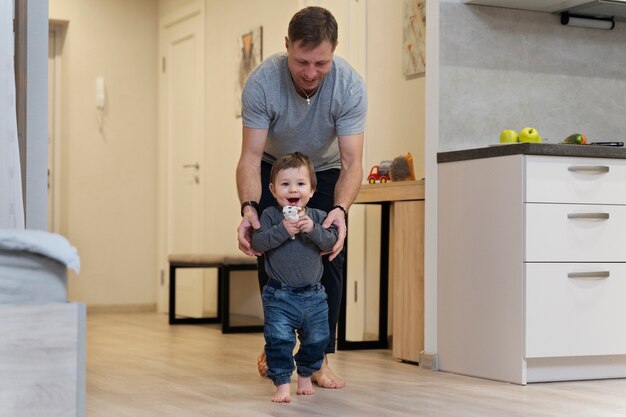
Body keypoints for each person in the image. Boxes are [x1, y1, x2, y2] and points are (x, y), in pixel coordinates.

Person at [236, 5, 367, 389]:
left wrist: (340, 210)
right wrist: (248, 209)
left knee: (330, 255)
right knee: (269, 249)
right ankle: (277, 343)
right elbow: (249, 156)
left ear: (334, 50)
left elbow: (352, 161)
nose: (311, 73)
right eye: (302, 61)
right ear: (287, 46)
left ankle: (318, 360)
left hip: (324, 170)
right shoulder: (262, 83)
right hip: (274, 166)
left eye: (321, 63)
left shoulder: (349, 86)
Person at [251, 152, 337, 403]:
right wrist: (281, 230)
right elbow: (259, 242)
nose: (293, 189)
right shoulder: (269, 216)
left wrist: (313, 230)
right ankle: (281, 384)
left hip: (314, 295)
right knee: (278, 340)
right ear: (273, 189)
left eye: (300, 184)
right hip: (279, 295)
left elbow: (331, 242)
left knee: (318, 339)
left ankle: (306, 375)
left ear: (311, 190)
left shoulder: (319, 216)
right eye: (285, 184)